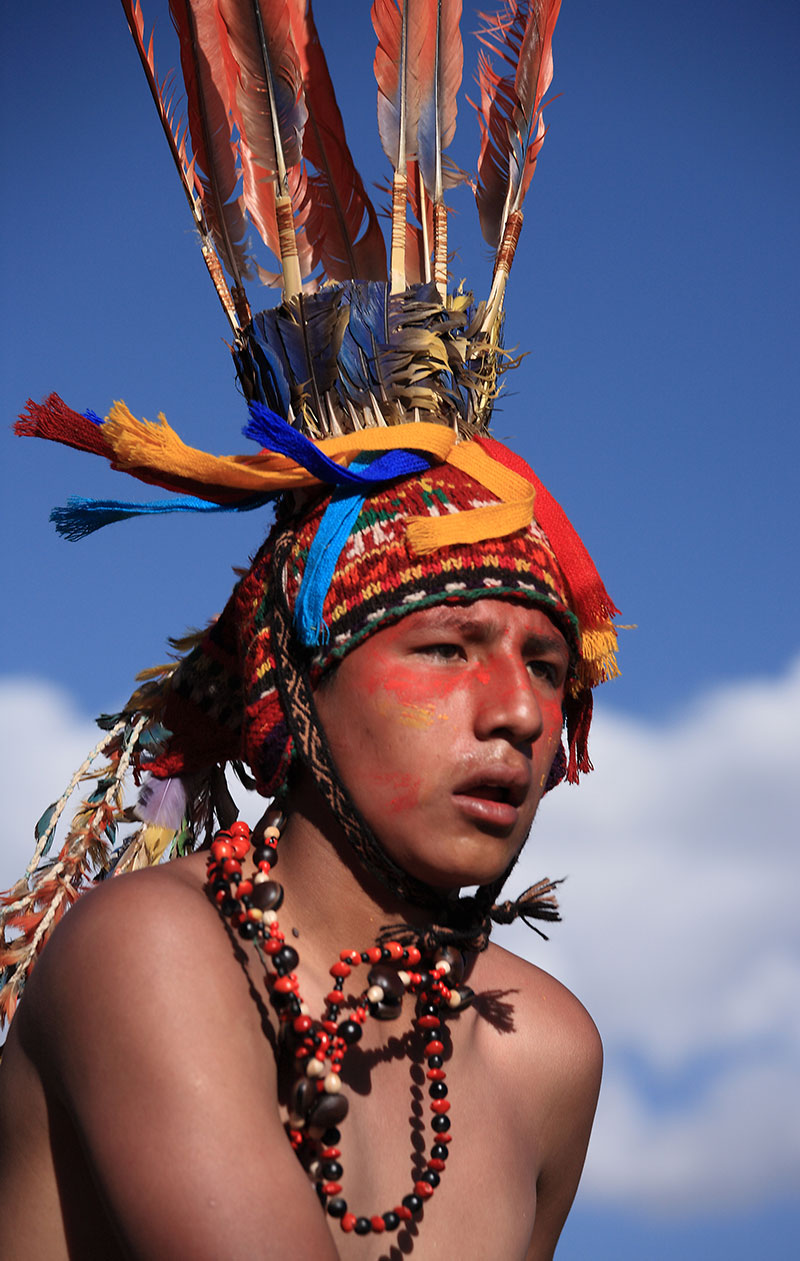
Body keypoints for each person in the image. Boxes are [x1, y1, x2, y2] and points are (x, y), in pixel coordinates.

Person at [0, 2, 619, 1256]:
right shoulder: (153, 954)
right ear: (293, 678)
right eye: (444, 647)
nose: (514, 711)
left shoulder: (542, 1049)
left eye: (546, 666)